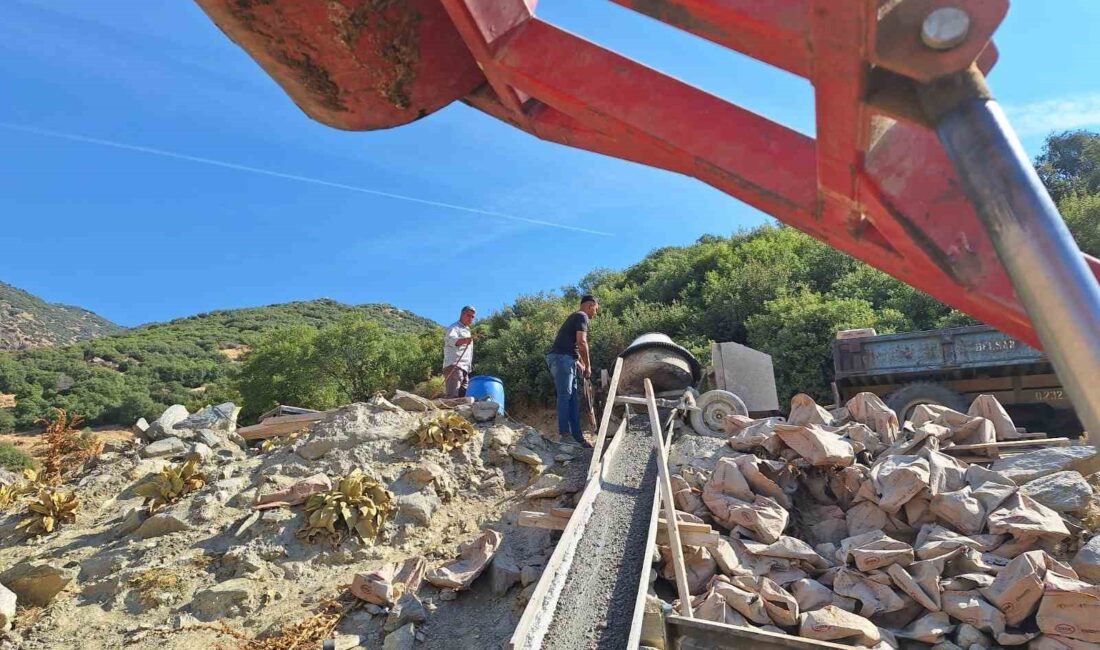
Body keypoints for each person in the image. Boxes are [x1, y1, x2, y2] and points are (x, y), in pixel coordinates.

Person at [546, 295, 599, 447]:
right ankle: (565, 435)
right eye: (596, 309)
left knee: (572, 399)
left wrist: (579, 364)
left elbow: (571, 345)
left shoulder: (575, 317)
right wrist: (588, 366)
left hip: (565, 359)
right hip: (561, 359)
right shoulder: (582, 316)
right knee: (565, 395)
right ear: (590, 306)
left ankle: (578, 438)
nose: (595, 313)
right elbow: (582, 342)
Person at [443, 305, 476, 398]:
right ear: (462, 314)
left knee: (462, 397)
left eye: (473, 317)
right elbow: (451, 340)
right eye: (469, 315)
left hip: (465, 368)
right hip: (454, 366)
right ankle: (447, 413)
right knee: (452, 397)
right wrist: (465, 340)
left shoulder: (467, 330)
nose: (471, 318)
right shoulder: (454, 328)